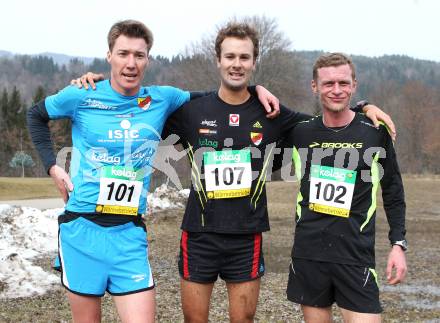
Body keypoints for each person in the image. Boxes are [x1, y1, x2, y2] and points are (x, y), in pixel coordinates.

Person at [75, 22, 395, 323]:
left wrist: (363, 106)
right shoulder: (190, 111)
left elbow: (327, 117)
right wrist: (99, 85)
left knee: (243, 319)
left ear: (254, 61)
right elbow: (135, 105)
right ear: (218, 60)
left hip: (246, 237)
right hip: (199, 235)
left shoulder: (272, 112)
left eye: (244, 57)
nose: (236, 63)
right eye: (230, 56)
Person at [26, 19, 278, 323]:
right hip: (82, 228)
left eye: (139, 55)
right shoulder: (82, 95)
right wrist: (52, 166)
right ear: (109, 56)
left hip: (129, 231)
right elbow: (36, 115)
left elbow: (219, 96)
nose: (130, 63)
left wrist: (255, 88)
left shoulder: (162, 98)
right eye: (123, 54)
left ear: (148, 59)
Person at [284, 53, 407, 323]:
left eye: (343, 82)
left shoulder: (375, 131)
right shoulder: (300, 132)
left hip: (355, 256)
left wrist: (398, 244)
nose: (336, 90)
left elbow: (394, 192)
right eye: (328, 84)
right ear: (314, 86)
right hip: (309, 255)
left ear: (354, 84)